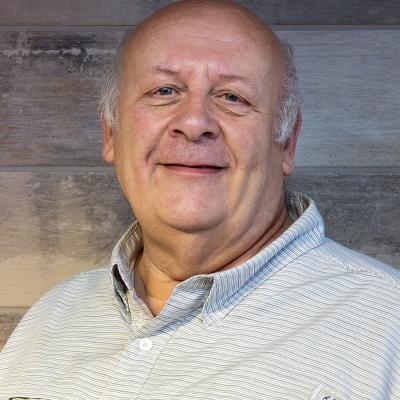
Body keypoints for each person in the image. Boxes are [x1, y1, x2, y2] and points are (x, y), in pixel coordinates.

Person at [0, 0, 399, 399]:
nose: (194, 123)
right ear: (110, 134)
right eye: (164, 91)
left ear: (287, 142)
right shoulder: (50, 319)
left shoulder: (387, 328)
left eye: (232, 97)